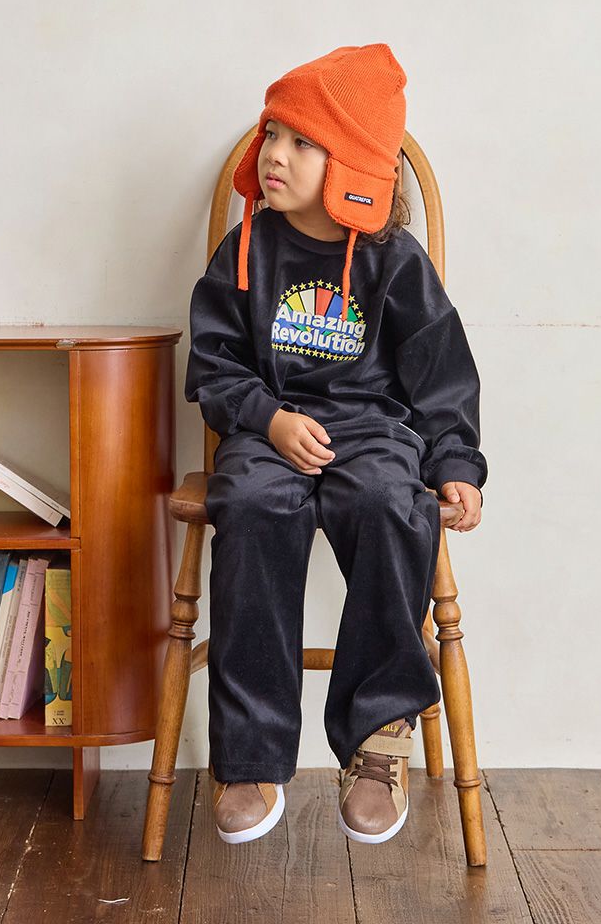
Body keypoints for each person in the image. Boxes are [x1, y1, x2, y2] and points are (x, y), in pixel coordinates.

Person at [184, 43, 488, 846]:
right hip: (266, 430)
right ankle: (250, 758)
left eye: (301, 142)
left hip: (372, 432)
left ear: (351, 163)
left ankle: (377, 738)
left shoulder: (395, 262)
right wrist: (268, 418)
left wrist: (456, 463)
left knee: (393, 503)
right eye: (271, 133)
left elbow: (442, 374)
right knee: (249, 503)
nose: (273, 155)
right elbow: (213, 363)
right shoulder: (245, 250)